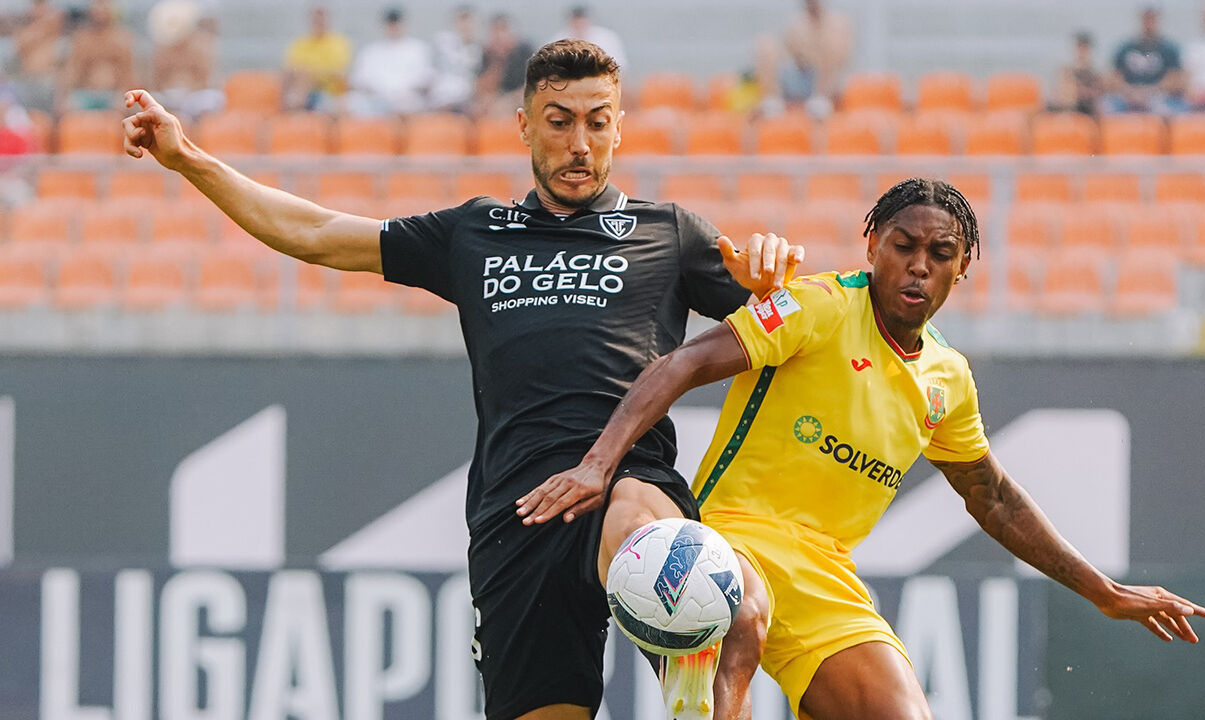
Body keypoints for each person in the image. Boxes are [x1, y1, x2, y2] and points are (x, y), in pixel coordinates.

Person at [122, 38, 801, 720]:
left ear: (619, 127)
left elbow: (801, 326)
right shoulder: (475, 233)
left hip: (623, 479)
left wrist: (774, 282)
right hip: (518, 514)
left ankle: (689, 665)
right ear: (525, 125)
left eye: (598, 121)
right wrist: (188, 158)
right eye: (560, 120)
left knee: (647, 535)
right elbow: (316, 231)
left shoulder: (669, 233)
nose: (580, 143)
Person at [520, 178, 1205, 720]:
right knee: (738, 615)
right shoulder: (816, 306)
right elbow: (680, 365)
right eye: (903, 246)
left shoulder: (948, 378)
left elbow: (991, 496)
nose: (918, 267)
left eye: (939, 255)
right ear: (872, 246)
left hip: (827, 576)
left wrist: (1104, 592)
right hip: (734, 536)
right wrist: (597, 463)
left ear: (962, 268)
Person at [755, 0, 852, 118]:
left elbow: (840, 57)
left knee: (830, 46)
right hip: (799, 76)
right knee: (766, 44)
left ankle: (820, 103)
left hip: (825, 83)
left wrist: (812, 53)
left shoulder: (838, 23)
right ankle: (773, 102)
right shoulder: (797, 24)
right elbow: (788, 53)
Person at [347, 7, 433, 117]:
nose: (393, 27)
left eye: (396, 23)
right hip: (376, 102)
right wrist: (381, 94)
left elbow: (426, 78)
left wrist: (402, 94)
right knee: (352, 102)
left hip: (409, 101)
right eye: (390, 23)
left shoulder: (418, 48)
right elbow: (359, 79)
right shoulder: (371, 51)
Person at [1103, 5, 1187, 115]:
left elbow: (1175, 80)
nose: (1149, 22)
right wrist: (1131, 92)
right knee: (1106, 106)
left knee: (1171, 109)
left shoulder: (1169, 49)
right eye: (1146, 18)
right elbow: (1114, 78)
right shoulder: (1125, 48)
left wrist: (1148, 92)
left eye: (1152, 18)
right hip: (1128, 97)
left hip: (1159, 97)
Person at [149, 0, 223, 120]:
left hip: (195, 98)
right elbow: (156, 81)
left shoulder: (201, 47)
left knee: (211, 100)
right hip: (169, 97)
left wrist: (188, 92)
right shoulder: (162, 51)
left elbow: (207, 80)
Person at [60, 0, 134, 112]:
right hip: (86, 95)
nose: (99, 10)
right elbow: (73, 71)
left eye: (104, 5)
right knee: (70, 105)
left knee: (122, 107)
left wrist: (125, 96)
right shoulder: (82, 39)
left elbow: (128, 74)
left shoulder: (122, 39)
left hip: (112, 96)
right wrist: (65, 97)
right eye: (96, 5)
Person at [282, 5, 351, 112]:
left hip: (328, 91)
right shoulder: (301, 43)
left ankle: (294, 109)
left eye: (321, 19)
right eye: (316, 19)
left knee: (304, 76)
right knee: (294, 76)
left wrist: (310, 72)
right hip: (305, 88)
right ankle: (291, 109)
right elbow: (291, 69)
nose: (318, 22)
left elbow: (337, 72)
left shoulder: (338, 43)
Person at [471, 13, 534, 118]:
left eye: (503, 30)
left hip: (519, 100)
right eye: (495, 32)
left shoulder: (525, 52)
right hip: (497, 101)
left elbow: (533, 87)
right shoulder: (486, 53)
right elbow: (481, 89)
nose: (500, 36)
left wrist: (509, 101)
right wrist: (498, 61)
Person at [424, 5, 482, 113]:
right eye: (462, 20)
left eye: (468, 21)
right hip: (439, 99)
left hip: (465, 102)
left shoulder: (478, 50)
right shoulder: (441, 42)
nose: (465, 25)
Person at [551, 5, 628, 71]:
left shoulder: (606, 38)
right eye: (576, 20)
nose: (579, 23)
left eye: (582, 20)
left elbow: (619, 65)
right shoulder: (558, 39)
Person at [1055, 30, 1104, 116]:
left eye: (1084, 48)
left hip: (1089, 110)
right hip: (1069, 108)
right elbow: (1062, 95)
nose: (1081, 52)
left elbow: (1099, 94)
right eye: (1079, 47)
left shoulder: (1096, 73)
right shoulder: (1067, 71)